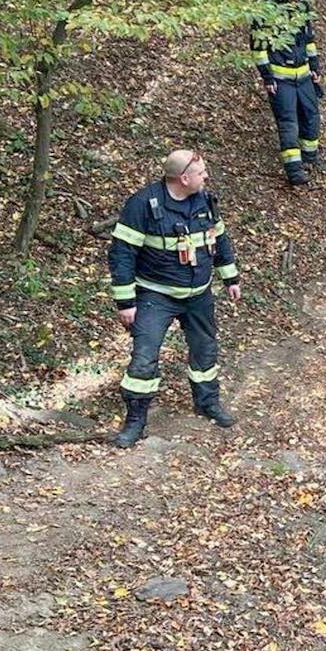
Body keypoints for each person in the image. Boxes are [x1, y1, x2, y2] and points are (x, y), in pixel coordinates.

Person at [108, 150, 240, 447]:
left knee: (205, 351)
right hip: (156, 295)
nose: (206, 176)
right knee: (144, 358)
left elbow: (219, 239)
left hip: (198, 295)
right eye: (202, 172)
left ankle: (207, 402)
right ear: (184, 178)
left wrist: (230, 278)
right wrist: (126, 302)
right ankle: (136, 421)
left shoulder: (206, 200)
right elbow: (121, 253)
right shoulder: (143, 204)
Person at [251, 0, 323, 186]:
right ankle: (294, 170)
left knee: (311, 115)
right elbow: (258, 48)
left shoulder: (303, 6)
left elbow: (308, 40)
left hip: (303, 75)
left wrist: (315, 67)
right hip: (280, 78)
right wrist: (267, 77)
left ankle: (310, 158)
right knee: (288, 122)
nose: (296, 1)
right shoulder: (265, 9)